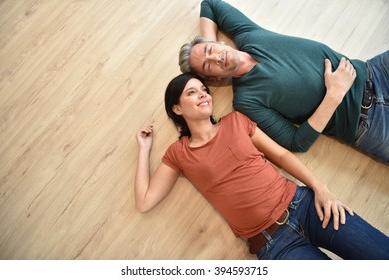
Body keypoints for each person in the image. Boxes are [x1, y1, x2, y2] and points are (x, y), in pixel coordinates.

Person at [135, 72, 389, 259]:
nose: (202, 94)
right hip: (275, 244)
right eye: (192, 92)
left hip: (308, 208)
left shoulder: (236, 121)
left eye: (203, 89)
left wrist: (321, 188)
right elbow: (145, 201)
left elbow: (281, 155)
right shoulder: (178, 153)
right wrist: (145, 150)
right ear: (177, 108)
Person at [179, 0, 389, 163]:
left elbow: (210, 4)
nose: (215, 57)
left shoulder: (248, 35)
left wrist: (209, 44)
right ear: (214, 78)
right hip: (367, 125)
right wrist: (334, 95)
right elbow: (295, 142)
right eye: (208, 66)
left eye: (210, 51)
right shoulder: (246, 102)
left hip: (375, 72)